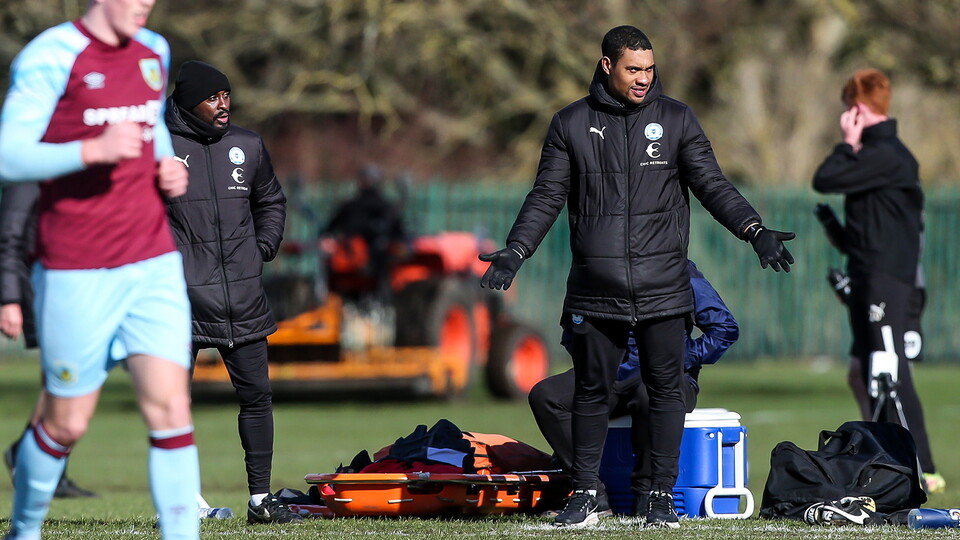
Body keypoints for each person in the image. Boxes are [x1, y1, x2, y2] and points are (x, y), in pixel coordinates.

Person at [479, 25, 794, 529]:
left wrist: (752, 229)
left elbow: (712, 184)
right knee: (589, 391)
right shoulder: (570, 124)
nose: (645, 78)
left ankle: (659, 497)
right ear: (608, 65)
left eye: (649, 68)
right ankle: (586, 496)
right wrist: (517, 251)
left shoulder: (677, 119)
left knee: (665, 390)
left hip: (664, 288)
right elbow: (545, 196)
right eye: (634, 69)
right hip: (595, 290)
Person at [0, 0, 200, 538]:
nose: (144, 4)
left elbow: (150, 123)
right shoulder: (51, 55)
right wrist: (91, 150)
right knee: (67, 424)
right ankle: (23, 531)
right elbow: (9, 155)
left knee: (172, 408)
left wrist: (165, 164)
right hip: (75, 272)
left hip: (153, 262)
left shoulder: (153, 50)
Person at [163, 60, 300, 524]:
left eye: (227, 96)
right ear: (187, 101)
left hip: (242, 296)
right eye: (212, 97)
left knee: (257, 396)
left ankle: (260, 501)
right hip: (179, 301)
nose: (223, 106)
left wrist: (262, 247)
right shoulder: (156, 147)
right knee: (171, 406)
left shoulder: (247, 144)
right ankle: (180, 504)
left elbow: (271, 201)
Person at [812, 69, 943, 494]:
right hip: (870, 276)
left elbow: (825, 177)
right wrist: (841, 235)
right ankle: (883, 453)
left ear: (859, 109)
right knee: (860, 372)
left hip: (888, 282)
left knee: (890, 373)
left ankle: (921, 465)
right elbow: (875, 229)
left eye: (849, 107)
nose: (844, 116)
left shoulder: (883, 155)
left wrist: (847, 143)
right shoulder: (875, 158)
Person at [528, 260, 738, 522]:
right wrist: (595, 365)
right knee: (546, 396)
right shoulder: (594, 266)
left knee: (651, 393)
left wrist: (676, 360)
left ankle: (650, 495)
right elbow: (572, 330)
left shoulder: (676, 268)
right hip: (609, 375)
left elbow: (724, 329)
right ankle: (592, 491)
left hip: (668, 377)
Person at [0, 183, 97, 499]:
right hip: (41, 281)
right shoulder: (29, 168)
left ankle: (42, 462)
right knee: (62, 376)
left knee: (70, 376)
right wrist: (9, 298)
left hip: (70, 277)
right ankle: (38, 462)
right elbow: (10, 235)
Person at [324, 164, 408, 303]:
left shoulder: (349, 206)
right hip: (372, 267)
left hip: (349, 264)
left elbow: (329, 229)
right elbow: (398, 232)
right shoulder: (385, 206)